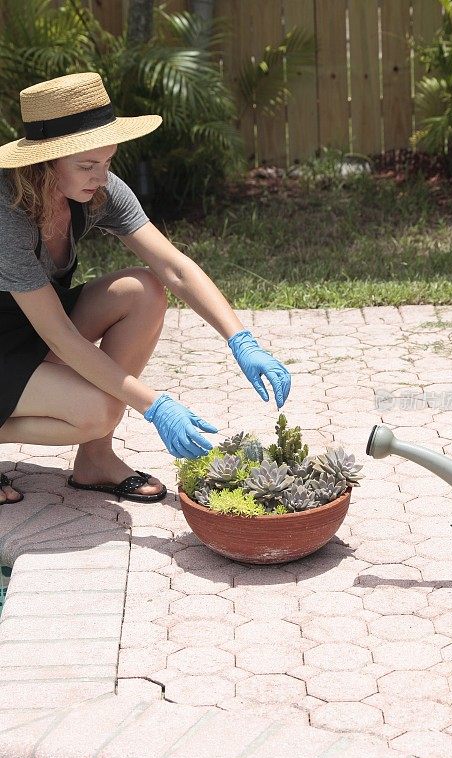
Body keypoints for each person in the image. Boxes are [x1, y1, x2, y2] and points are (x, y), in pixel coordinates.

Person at [0, 72, 291, 505]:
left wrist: (241, 339)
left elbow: (174, 267)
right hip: (16, 340)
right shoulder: (8, 214)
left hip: (30, 328)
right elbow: (59, 336)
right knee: (98, 411)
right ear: (44, 163)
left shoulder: (96, 191)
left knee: (144, 290)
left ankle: (95, 462)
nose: (102, 176)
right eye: (87, 165)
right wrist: (155, 405)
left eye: (108, 161)